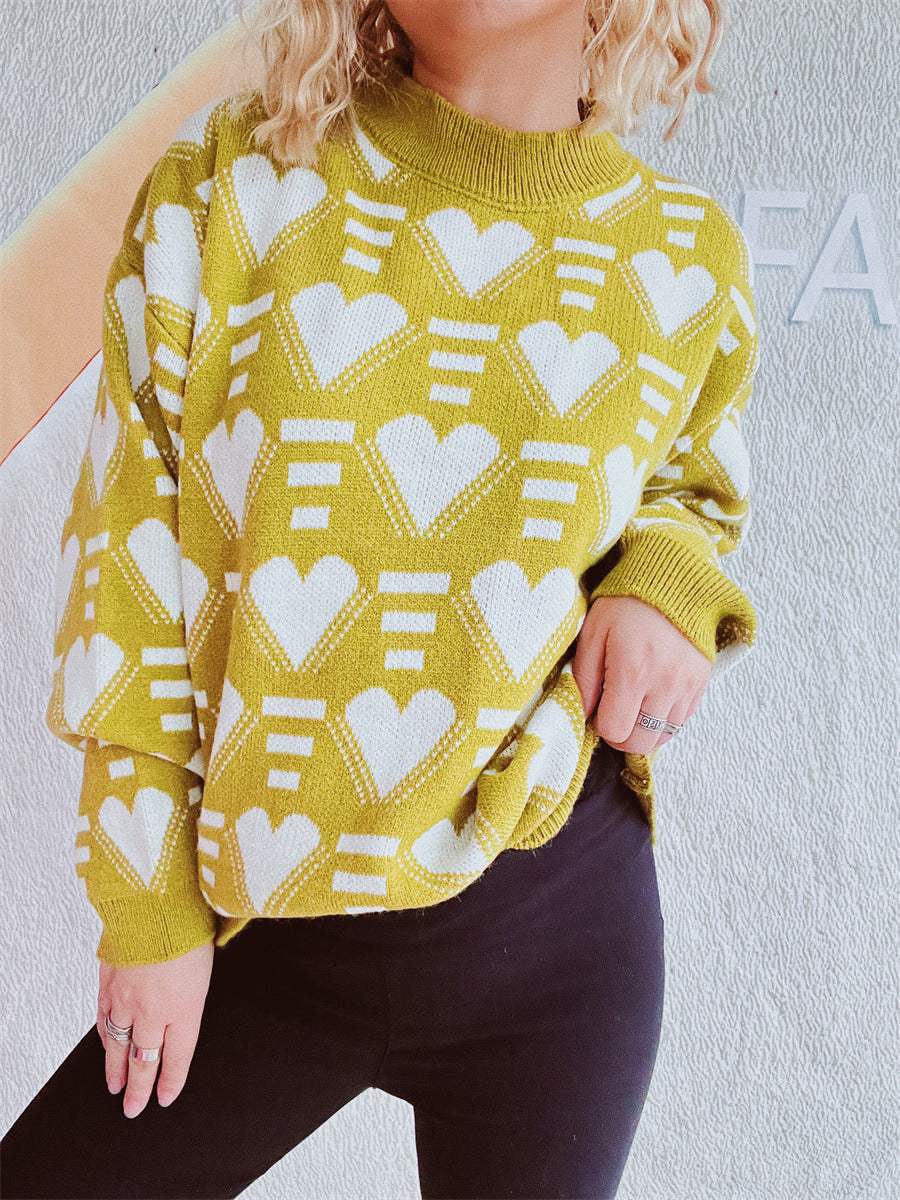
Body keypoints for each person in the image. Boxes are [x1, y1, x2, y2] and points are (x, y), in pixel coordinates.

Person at [1, 0, 759, 1196]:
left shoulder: (684, 254)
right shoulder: (228, 185)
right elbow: (126, 573)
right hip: (262, 930)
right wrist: (148, 908)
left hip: (556, 928)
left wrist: (666, 583)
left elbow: (694, 485)